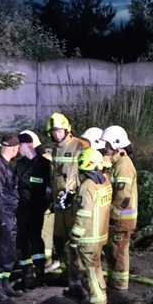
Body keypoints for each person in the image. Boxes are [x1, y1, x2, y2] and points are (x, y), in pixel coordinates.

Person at [46, 113, 90, 292]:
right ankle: (69, 277)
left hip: (73, 204)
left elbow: (86, 173)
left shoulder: (81, 146)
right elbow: (55, 174)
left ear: (67, 130)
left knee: (74, 242)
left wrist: (74, 194)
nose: (56, 134)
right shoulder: (55, 149)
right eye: (53, 131)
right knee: (60, 241)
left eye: (58, 130)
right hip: (59, 204)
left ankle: (79, 280)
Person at [68, 147, 112, 304]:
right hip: (100, 235)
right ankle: (96, 297)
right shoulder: (105, 181)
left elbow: (84, 215)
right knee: (95, 267)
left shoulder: (87, 186)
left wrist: (75, 237)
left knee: (92, 271)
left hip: (88, 237)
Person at [0, 134, 23, 303]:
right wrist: (1, 219)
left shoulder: (6, 165)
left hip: (10, 214)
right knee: (1, 251)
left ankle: (5, 285)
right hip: (3, 216)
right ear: (14, 148)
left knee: (9, 251)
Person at [102, 125, 137, 291]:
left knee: (119, 252)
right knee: (112, 251)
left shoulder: (124, 165)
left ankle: (120, 286)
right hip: (118, 217)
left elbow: (123, 196)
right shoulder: (117, 163)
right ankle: (114, 282)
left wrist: (114, 216)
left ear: (116, 144)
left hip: (122, 219)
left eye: (107, 144)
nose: (105, 148)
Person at [16, 130, 53, 289]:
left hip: (37, 208)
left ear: (28, 145)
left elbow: (48, 187)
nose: (18, 150)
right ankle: (27, 275)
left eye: (20, 146)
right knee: (22, 241)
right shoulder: (20, 165)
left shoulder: (44, 165)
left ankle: (40, 272)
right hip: (21, 209)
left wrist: (44, 204)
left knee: (36, 239)